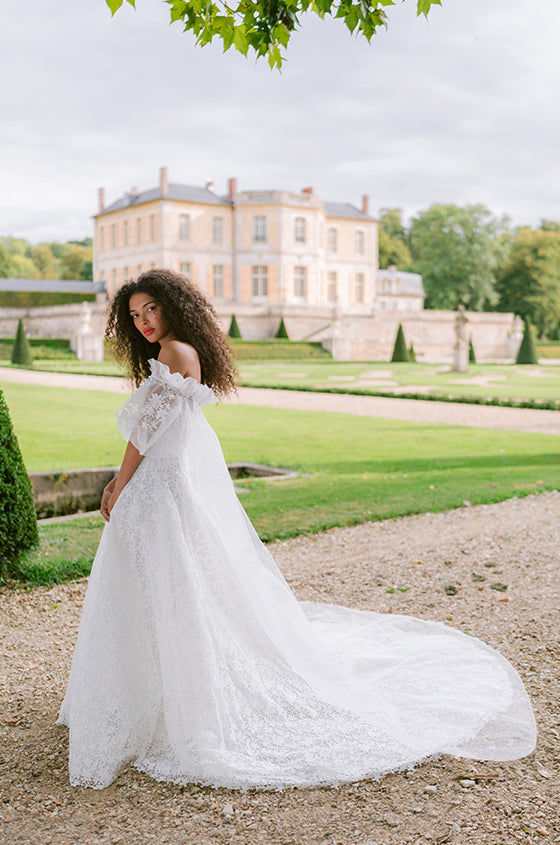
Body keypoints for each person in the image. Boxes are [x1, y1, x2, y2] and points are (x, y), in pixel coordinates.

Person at [57, 268, 536, 791]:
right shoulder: (177, 352)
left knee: (166, 587)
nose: (143, 321)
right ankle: (157, 687)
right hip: (163, 485)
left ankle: (161, 695)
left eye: (150, 309)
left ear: (172, 305)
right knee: (173, 588)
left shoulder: (175, 354)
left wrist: (116, 483)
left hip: (156, 486)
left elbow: (147, 434)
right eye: (133, 315)